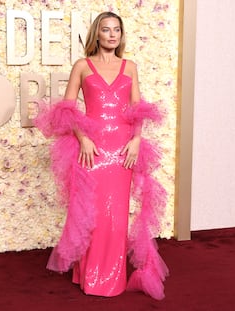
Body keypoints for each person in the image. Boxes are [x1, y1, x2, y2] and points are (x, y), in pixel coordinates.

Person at [35, 11, 168, 300]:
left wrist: (136, 141)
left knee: (117, 215)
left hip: (122, 151)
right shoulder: (82, 66)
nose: (111, 35)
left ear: (121, 35)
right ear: (97, 33)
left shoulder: (129, 67)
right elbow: (67, 109)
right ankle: (88, 275)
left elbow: (137, 109)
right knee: (91, 213)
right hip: (92, 150)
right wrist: (83, 139)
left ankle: (112, 277)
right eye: (106, 30)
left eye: (116, 30)